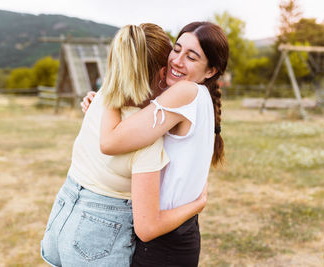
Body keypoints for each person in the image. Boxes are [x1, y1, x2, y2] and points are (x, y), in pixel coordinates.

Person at [41, 23, 207, 267]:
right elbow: (148, 227)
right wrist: (196, 204)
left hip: (61, 219)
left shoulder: (101, 101)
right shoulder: (144, 140)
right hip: (96, 240)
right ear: (162, 74)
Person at [82, 21, 229, 267]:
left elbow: (110, 141)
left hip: (163, 244)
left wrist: (110, 91)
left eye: (191, 57)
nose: (177, 60)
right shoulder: (200, 98)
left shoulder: (186, 92)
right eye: (177, 49)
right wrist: (100, 107)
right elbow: (137, 124)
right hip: (179, 235)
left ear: (210, 70)